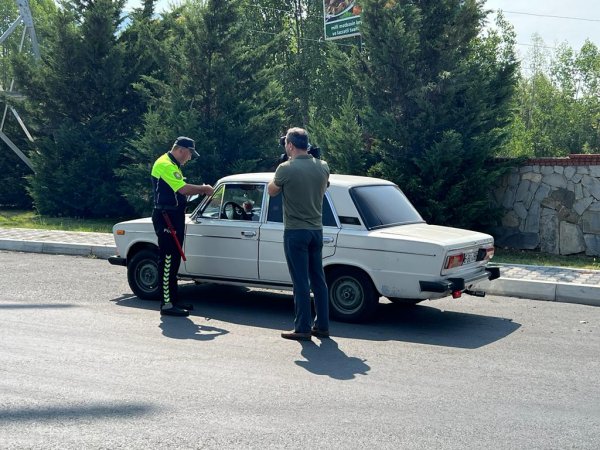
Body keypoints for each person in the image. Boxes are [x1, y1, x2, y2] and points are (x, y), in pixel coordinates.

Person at [268, 127, 331, 341]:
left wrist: (280, 168)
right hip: (317, 230)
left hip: (295, 231)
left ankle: (302, 327)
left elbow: (272, 190)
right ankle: (322, 325)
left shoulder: (285, 168)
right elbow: (325, 186)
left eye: (286, 143)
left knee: (300, 282)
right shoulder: (323, 166)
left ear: (291, 145)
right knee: (318, 279)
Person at [151, 136, 214, 317]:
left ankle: (174, 298)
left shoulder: (173, 164)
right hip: (166, 217)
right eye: (189, 154)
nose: (190, 158)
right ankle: (167, 304)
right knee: (168, 259)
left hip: (173, 215)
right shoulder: (165, 164)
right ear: (180, 150)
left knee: (175, 258)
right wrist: (204, 189)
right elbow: (183, 189)